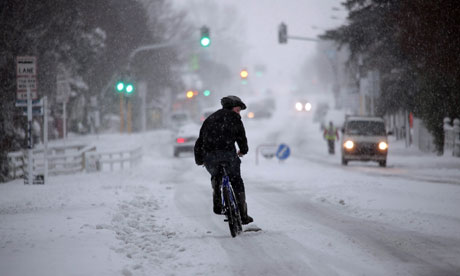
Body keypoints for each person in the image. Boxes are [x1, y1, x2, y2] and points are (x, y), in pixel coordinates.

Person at [194, 95, 253, 225]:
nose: (239, 113)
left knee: (216, 175)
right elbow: (241, 138)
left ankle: (217, 200)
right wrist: (242, 151)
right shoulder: (234, 119)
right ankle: (243, 214)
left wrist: (200, 159)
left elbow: (200, 141)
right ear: (231, 108)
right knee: (236, 180)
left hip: (210, 157)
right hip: (228, 155)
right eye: (238, 110)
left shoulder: (210, 119)